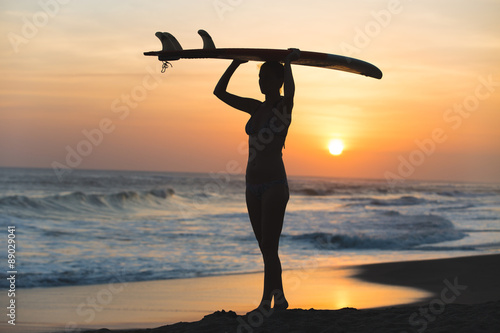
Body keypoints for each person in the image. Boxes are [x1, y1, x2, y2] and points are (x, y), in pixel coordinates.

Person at [214, 49, 300, 313]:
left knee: (270, 246)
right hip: (252, 186)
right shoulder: (255, 107)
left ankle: (265, 303)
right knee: (265, 248)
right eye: (260, 77)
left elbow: (292, 92)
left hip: (275, 184)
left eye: (265, 77)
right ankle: (280, 298)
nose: (261, 82)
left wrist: (287, 62)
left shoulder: (283, 107)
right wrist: (235, 64)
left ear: (278, 80)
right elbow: (220, 92)